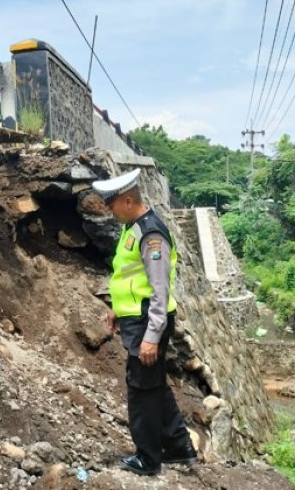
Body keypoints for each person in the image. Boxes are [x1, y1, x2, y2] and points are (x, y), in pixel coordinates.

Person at [92, 168, 197, 476]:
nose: (110, 212)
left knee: (141, 390)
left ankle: (148, 459)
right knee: (153, 384)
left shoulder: (151, 236)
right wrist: (117, 310)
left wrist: (151, 336)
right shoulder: (132, 228)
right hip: (136, 317)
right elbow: (130, 278)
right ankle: (180, 447)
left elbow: (160, 292)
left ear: (127, 201)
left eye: (111, 206)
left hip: (149, 322)